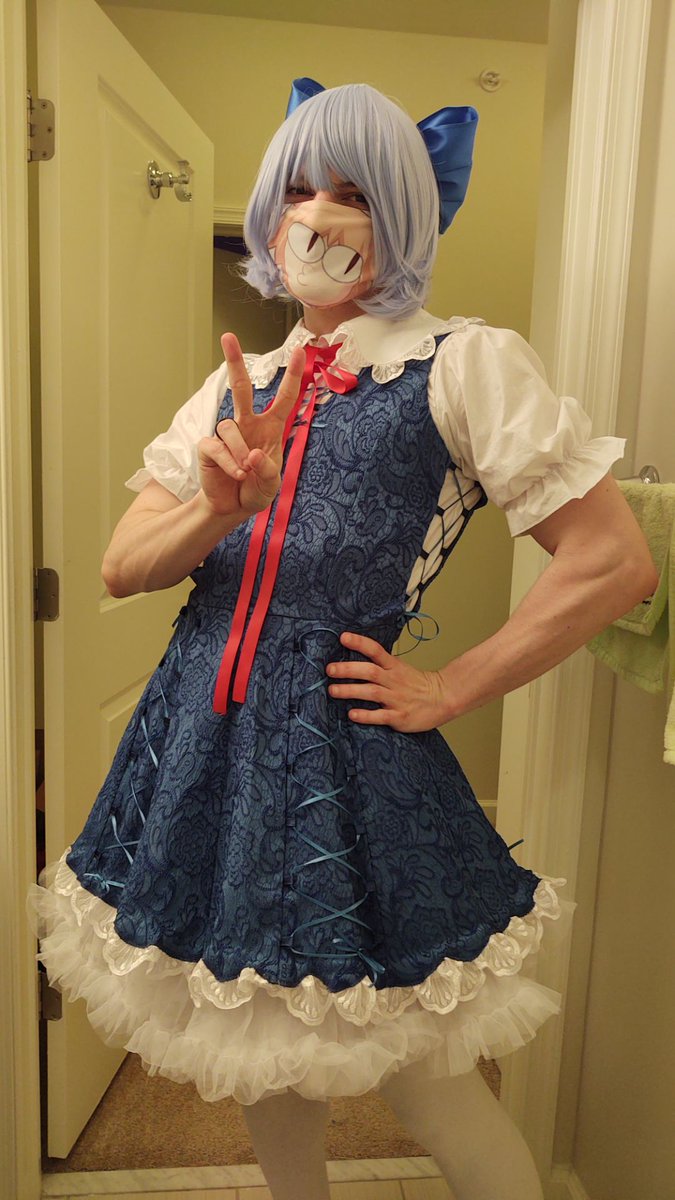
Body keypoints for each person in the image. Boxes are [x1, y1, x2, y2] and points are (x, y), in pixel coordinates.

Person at [27, 80, 657, 1200]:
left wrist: (452, 686)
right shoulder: (236, 388)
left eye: (356, 193)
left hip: (348, 759)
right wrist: (220, 504)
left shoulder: (462, 362)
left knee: (428, 1084)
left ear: (404, 216)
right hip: (199, 753)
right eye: (301, 188)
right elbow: (124, 568)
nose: (319, 215)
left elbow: (613, 562)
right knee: (263, 1054)